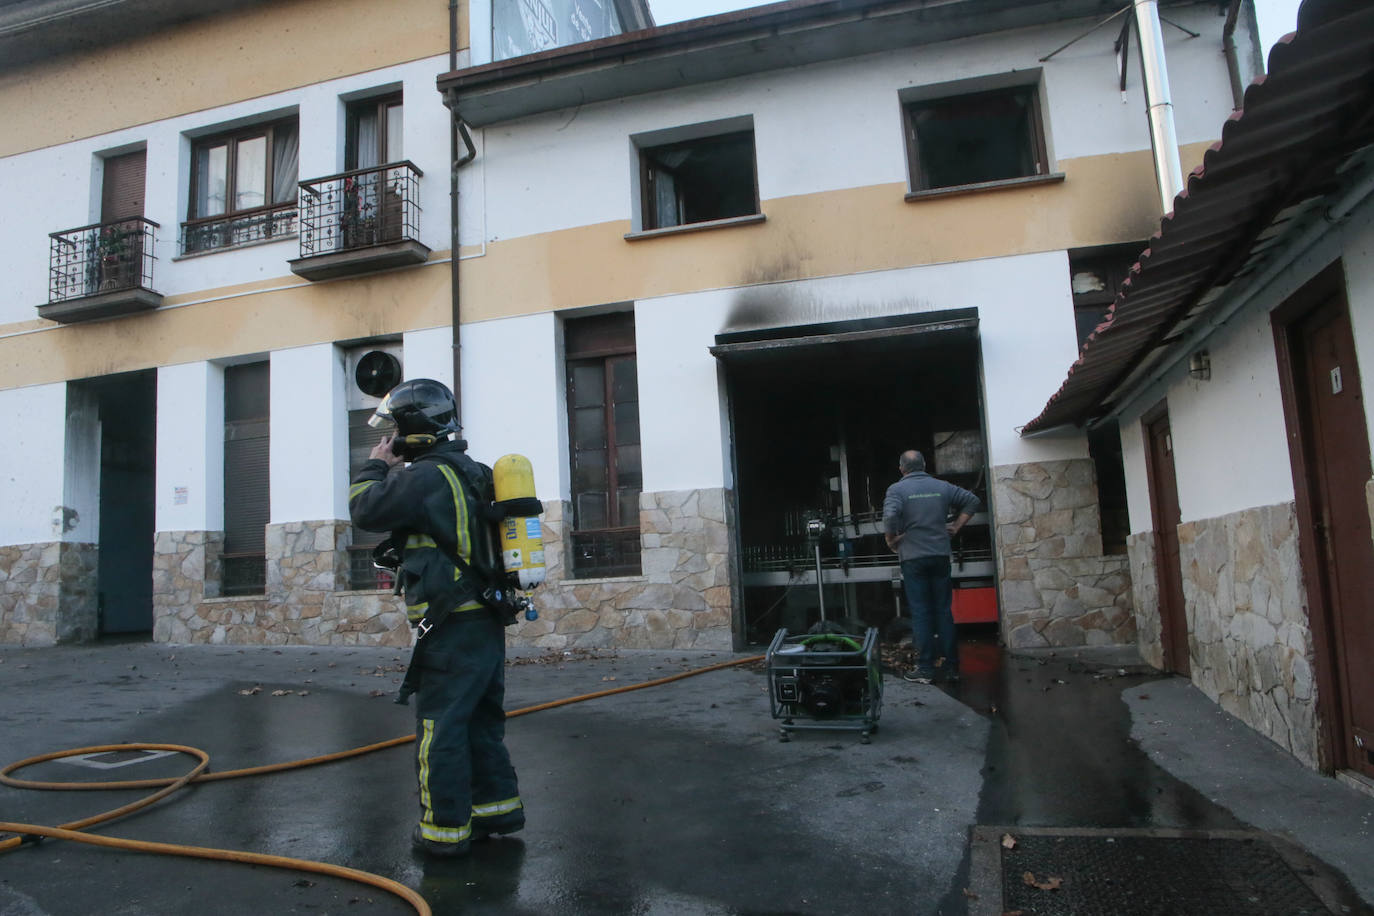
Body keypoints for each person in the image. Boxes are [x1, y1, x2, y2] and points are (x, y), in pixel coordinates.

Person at [349, 378, 524, 858]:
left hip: (448, 626)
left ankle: (442, 832)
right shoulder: (476, 472)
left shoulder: (423, 478)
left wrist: (376, 465)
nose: (390, 438)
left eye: (394, 430)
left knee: (440, 728)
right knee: (481, 720)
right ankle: (497, 812)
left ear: (413, 427)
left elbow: (364, 509)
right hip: (487, 617)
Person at [882, 449, 980, 685]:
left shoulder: (896, 490)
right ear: (924, 465)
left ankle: (925, 669)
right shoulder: (942, 486)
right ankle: (952, 668)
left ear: (901, 468)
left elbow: (890, 516)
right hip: (939, 555)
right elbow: (973, 501)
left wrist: (891, 540)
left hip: (913, 558)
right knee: (943, 611)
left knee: (921, 612)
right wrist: (956, 526)